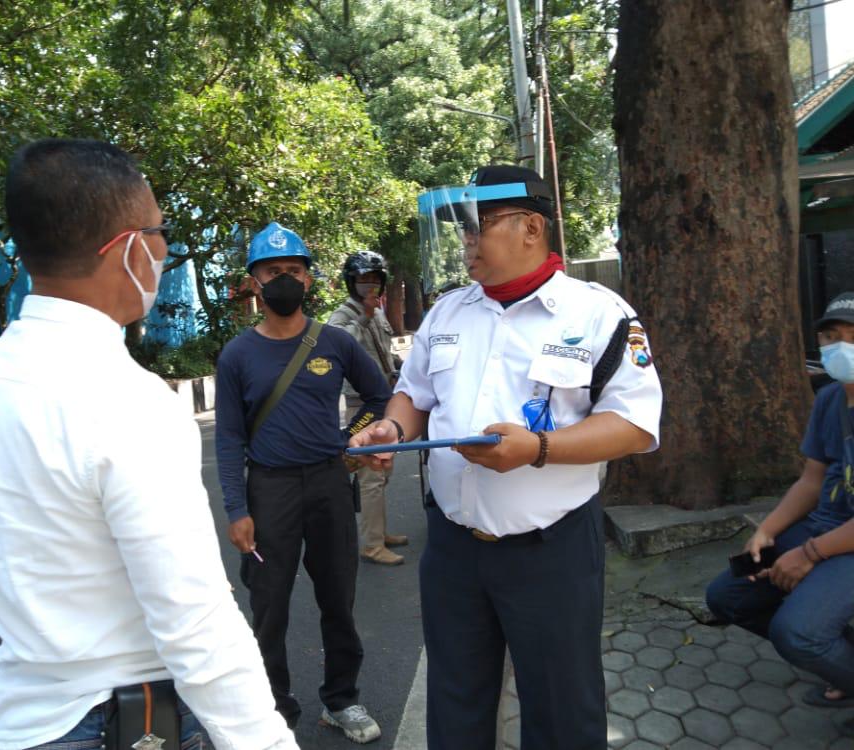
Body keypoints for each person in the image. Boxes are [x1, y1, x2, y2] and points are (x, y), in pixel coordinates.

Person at [0, 139, 297, 750]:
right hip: (123, 721)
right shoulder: (126, 399)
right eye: (160, 232)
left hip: (25, 722)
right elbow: (194, 619)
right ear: (131, 248)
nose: (164, 249)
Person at [349, 165, 663, 750]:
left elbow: (633, 425)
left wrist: (538, 449)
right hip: (452, 550)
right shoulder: (447, 313)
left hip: (551, 552)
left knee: (562, 711)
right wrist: (389, 426)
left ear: (531, 227)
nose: (467, 242)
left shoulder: (598, 315)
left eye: (479, 227)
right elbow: (414, 395)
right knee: (457, 701)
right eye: (462, 230)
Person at [214, 222, 390, 744]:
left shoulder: (334, 342)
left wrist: (350, 440)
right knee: (269, 609)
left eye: (293, 270)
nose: (283, 279)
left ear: (309, 280)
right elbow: (227, 440)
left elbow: (378, 398)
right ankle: (274, 711)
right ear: (255, 284)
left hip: (331, 486)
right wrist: (235, 509)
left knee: (338, 600)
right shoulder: (237, 356)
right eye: (272, 272)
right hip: (269, 493)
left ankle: (342, 700)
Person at [706, 291, 854, 711]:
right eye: (831, 336)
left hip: (843, 544)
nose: (841, 345)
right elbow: (812, 480)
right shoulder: (830, 399)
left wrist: (809, 554)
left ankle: (832, 658)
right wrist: (768, 531)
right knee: (727, 596)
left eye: (852, 335)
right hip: (825, 528)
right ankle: (841, 659)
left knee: (798, 633)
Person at [327, 250, 408, 566]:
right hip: (362, 404)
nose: (369, 287)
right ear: (351, 283)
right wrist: (363, 315)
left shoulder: (378, 313)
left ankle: (379, 531)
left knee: (384, 470)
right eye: (363, 281)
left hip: (386, 398)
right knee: (371, 477)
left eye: (375, 280)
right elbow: (339, 343)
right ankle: (372, 545)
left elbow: (384, 352)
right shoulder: (344, 316)